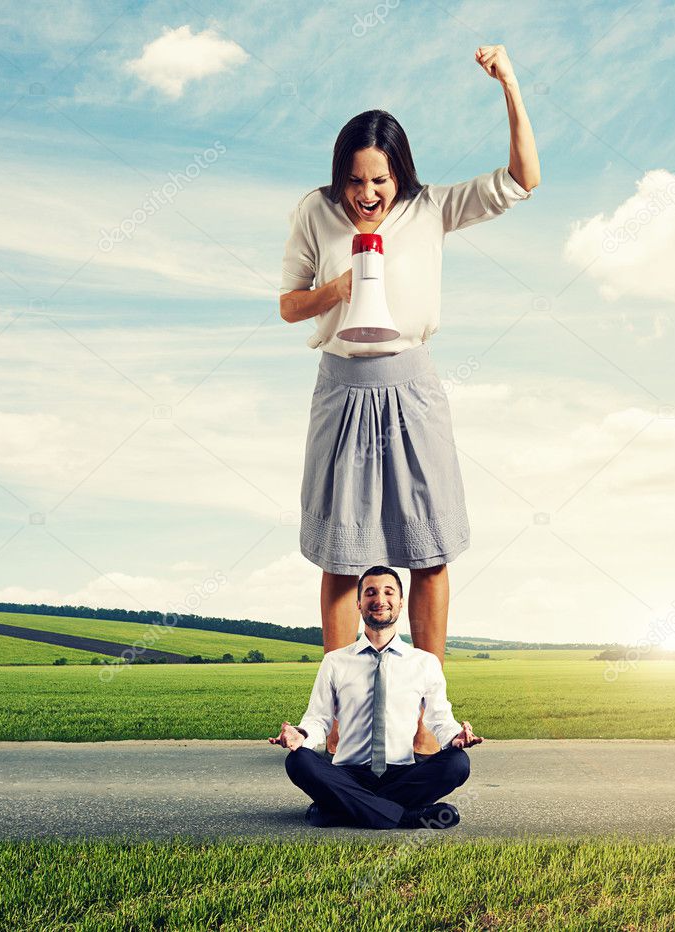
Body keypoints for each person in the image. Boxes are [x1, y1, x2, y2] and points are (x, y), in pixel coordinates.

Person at [279, 45, 540, 755]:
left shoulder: (430, 209)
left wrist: (508, 84)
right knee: (340, 555)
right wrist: (333, 290)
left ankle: (428, 722)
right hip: (340, 387)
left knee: (427, 552)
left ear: (400, 174)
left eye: (380, 179)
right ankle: (332, 725)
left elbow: (524, 179)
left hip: (412, 386)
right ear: (340, 177)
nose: (367, 194)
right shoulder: (314, 212)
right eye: (356, 181)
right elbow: (286, 305)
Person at [269, 565, 483, 830]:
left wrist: (456, 737)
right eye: (370, 592)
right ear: (359, 604)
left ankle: (338, 811)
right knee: (299, 761)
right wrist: (301, 735)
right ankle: (407, 817)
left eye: (388, 592)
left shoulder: (424, 663)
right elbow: (318, 720)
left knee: (457, 764)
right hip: (349, 773)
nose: (380, 600)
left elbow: (440, 719)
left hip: (402, 772)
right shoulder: (335, 661)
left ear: (401, 602)